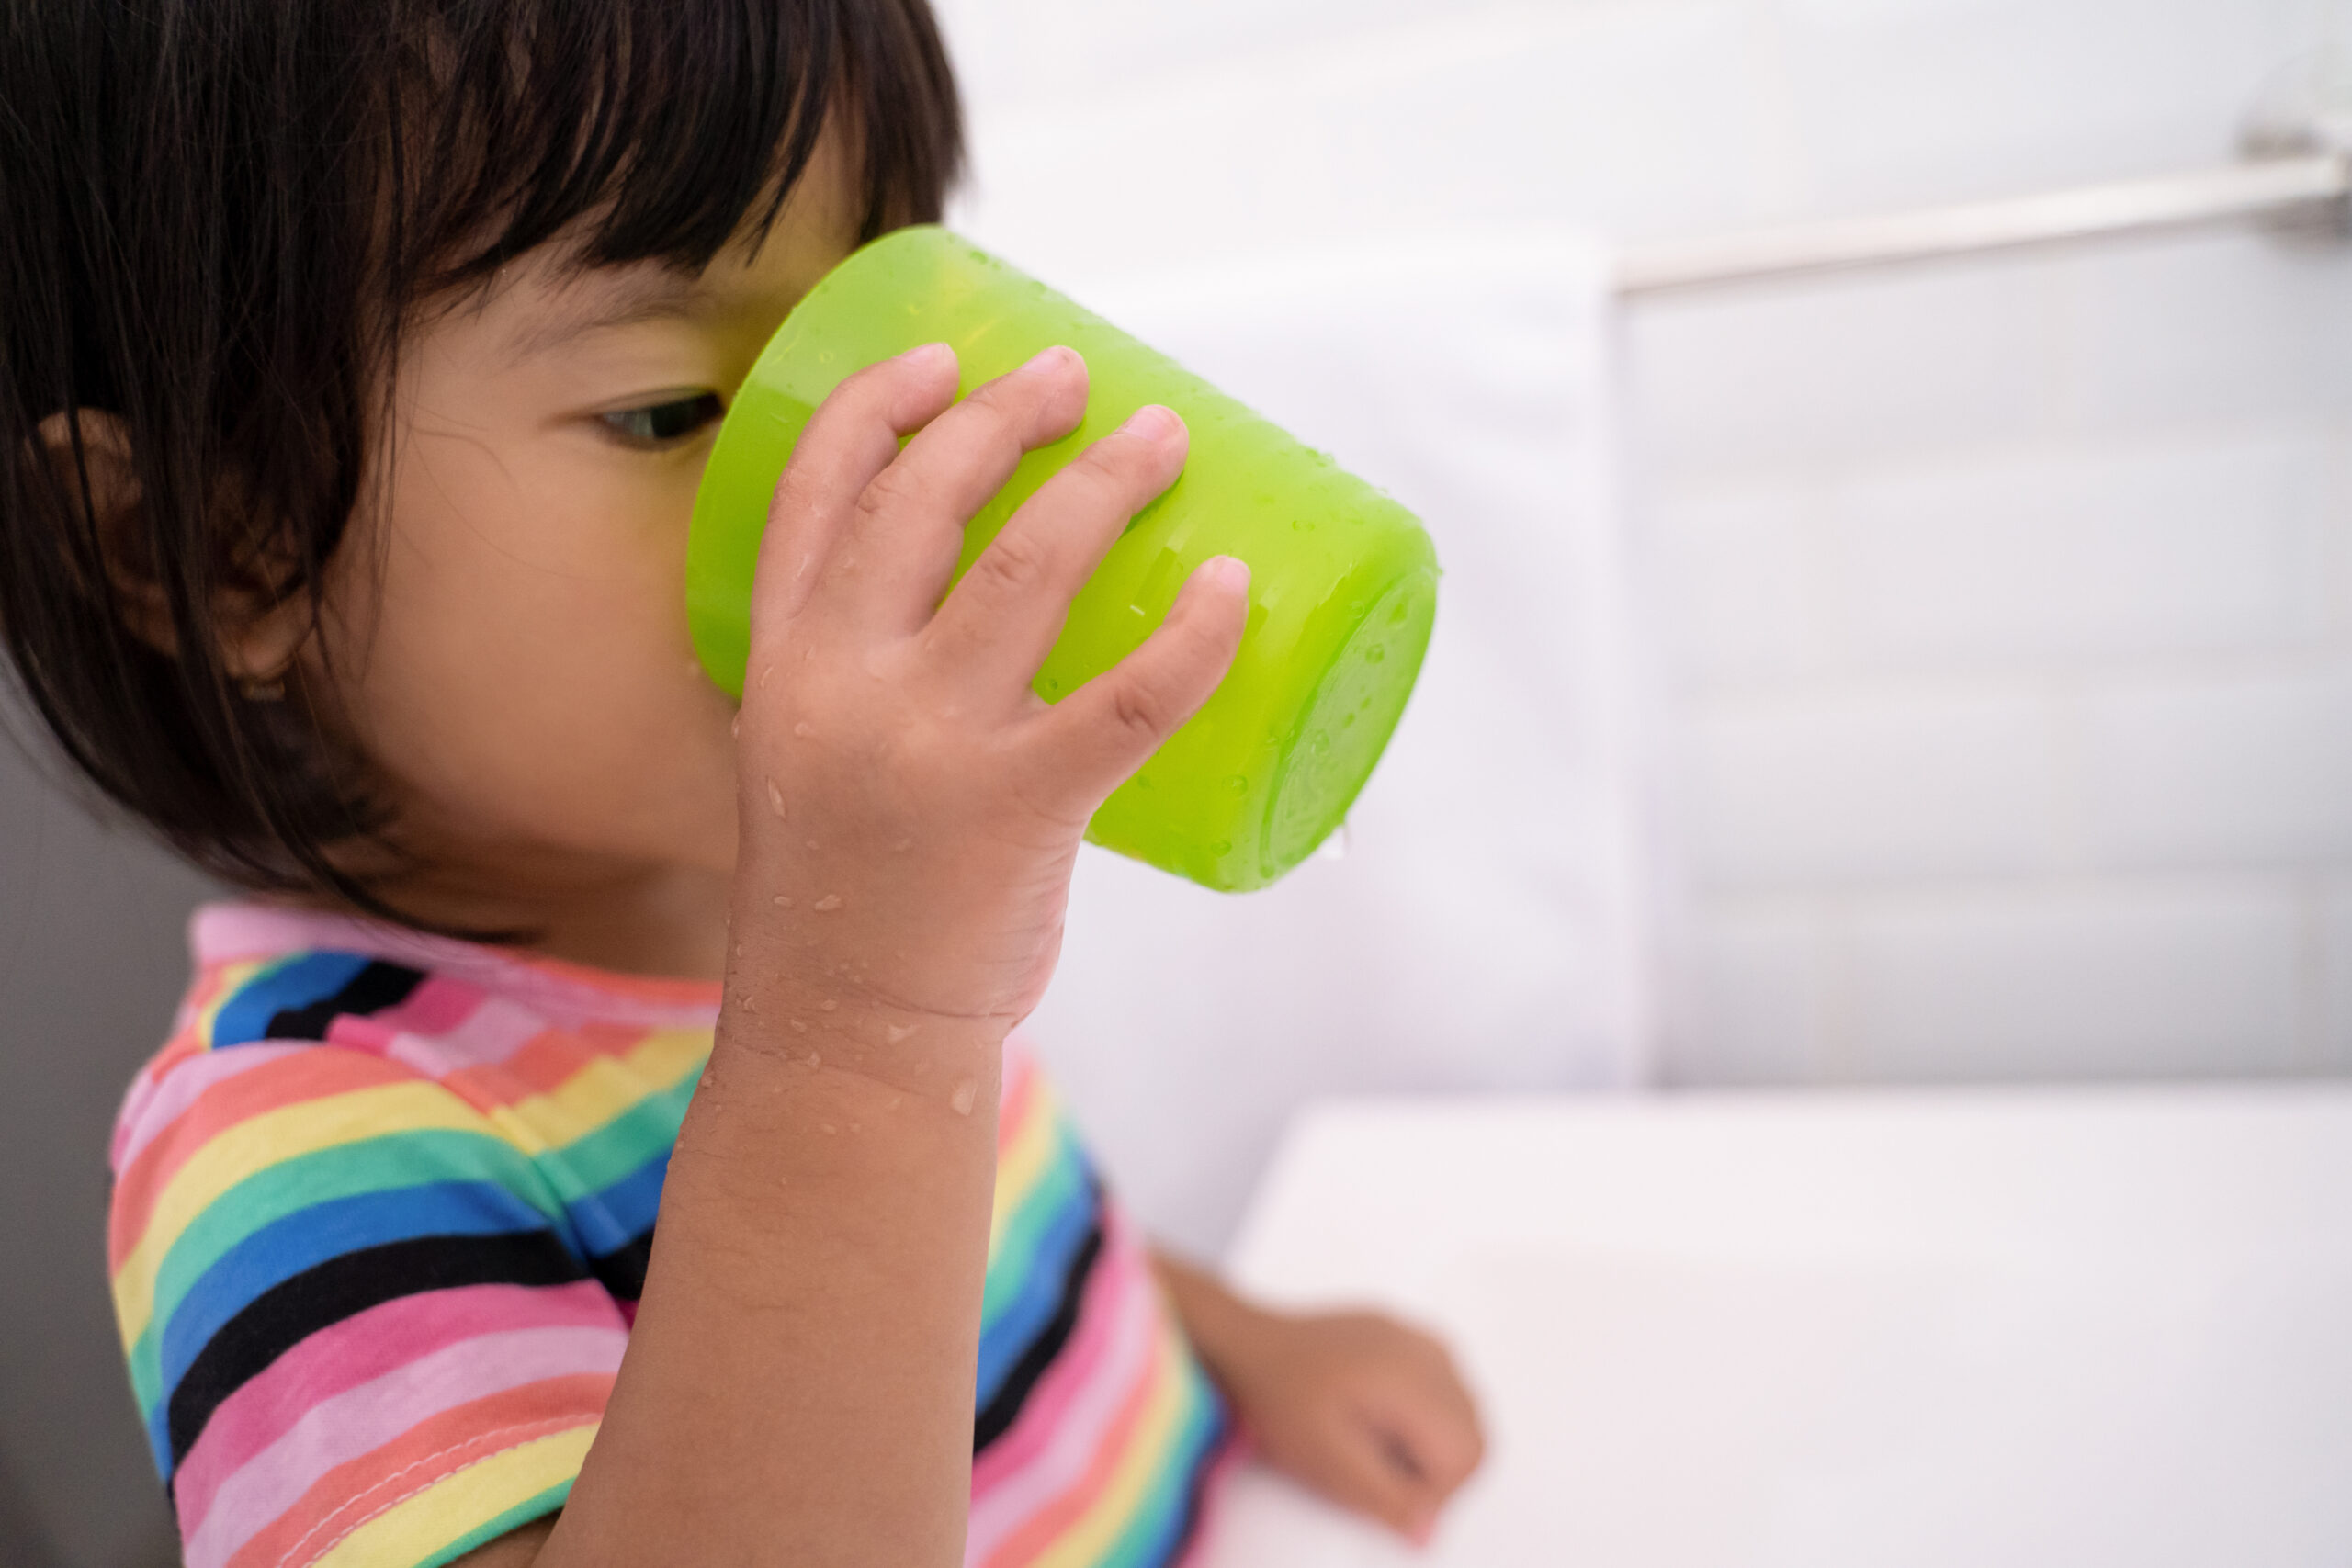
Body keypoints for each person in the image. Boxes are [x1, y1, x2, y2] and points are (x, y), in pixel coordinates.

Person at [0, 3, 1486, 1565]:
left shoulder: (766, 886)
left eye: (877, 330)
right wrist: (863, 1040)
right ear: (231, 550)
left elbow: (977, 1242)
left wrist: (1229, 1342)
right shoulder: (302, 1157)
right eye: (671, 409)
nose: (871, 471)